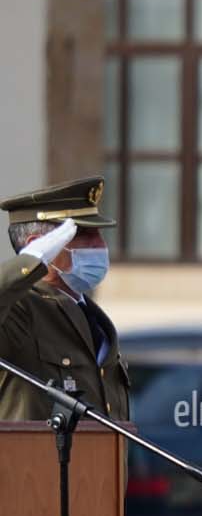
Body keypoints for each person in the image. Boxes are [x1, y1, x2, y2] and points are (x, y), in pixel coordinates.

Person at [0, 177, 129, 422]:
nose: (100, 245)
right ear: (41, 246)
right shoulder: (18, 310)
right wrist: (29, 261)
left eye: (99, 234)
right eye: (83, 234)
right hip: (35, 449)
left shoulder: (92, 317)